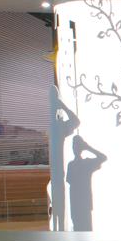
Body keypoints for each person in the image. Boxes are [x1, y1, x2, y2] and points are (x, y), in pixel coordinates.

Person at [49, 87, 79, 231]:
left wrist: (63, 106)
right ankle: (56, 227)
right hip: (49, 170)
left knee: (59, 201)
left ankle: (61, 228)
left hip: (58, 170)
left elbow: (76, 121)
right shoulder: (48, 124)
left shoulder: (59, 125)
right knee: (52, 202)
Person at [66, 136, 107, 232]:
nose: (75, 148)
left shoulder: (87, 163)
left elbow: (103, 157)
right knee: (78, 230)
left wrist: (88, 147)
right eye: (73, 146)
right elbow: (69, 180)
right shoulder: (71, 165)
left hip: (85, 205)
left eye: (77, 145)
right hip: (75, 205)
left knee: (86, 231)